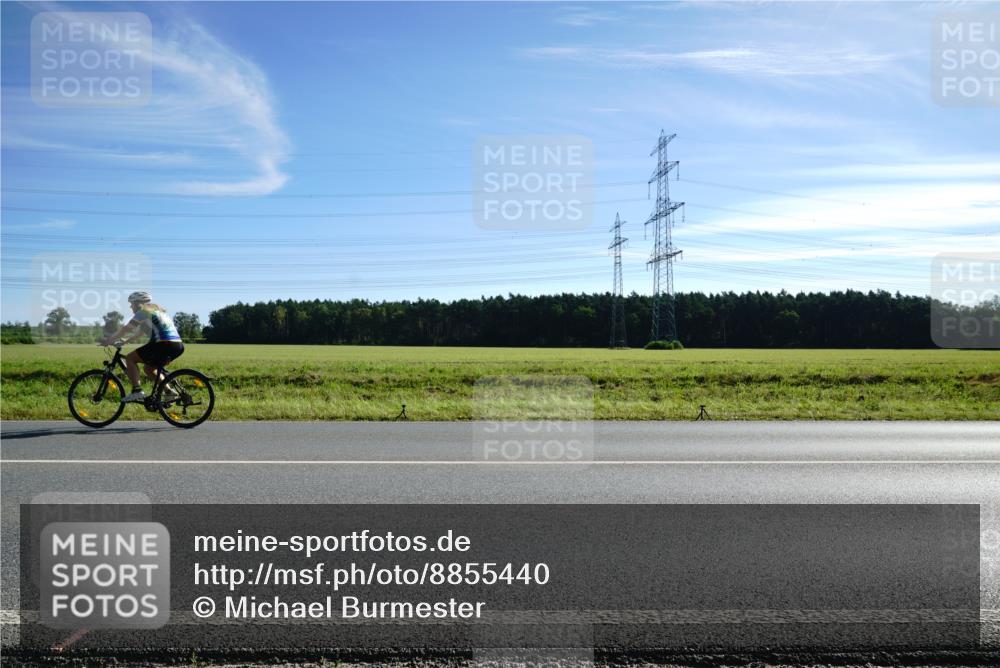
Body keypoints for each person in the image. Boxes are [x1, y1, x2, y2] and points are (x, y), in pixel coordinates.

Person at [101, 291, 184, 402]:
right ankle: (169, 392)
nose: (131, 306)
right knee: (149, 369)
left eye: (132, 303)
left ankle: (137, 391)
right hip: (177, 345)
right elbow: (141, 332)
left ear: (138, 303)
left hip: (163, 344)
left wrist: (109, 340)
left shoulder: (143, 311)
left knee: (130, 358)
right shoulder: (156, 311)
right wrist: (125, 341)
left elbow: (127, 328)